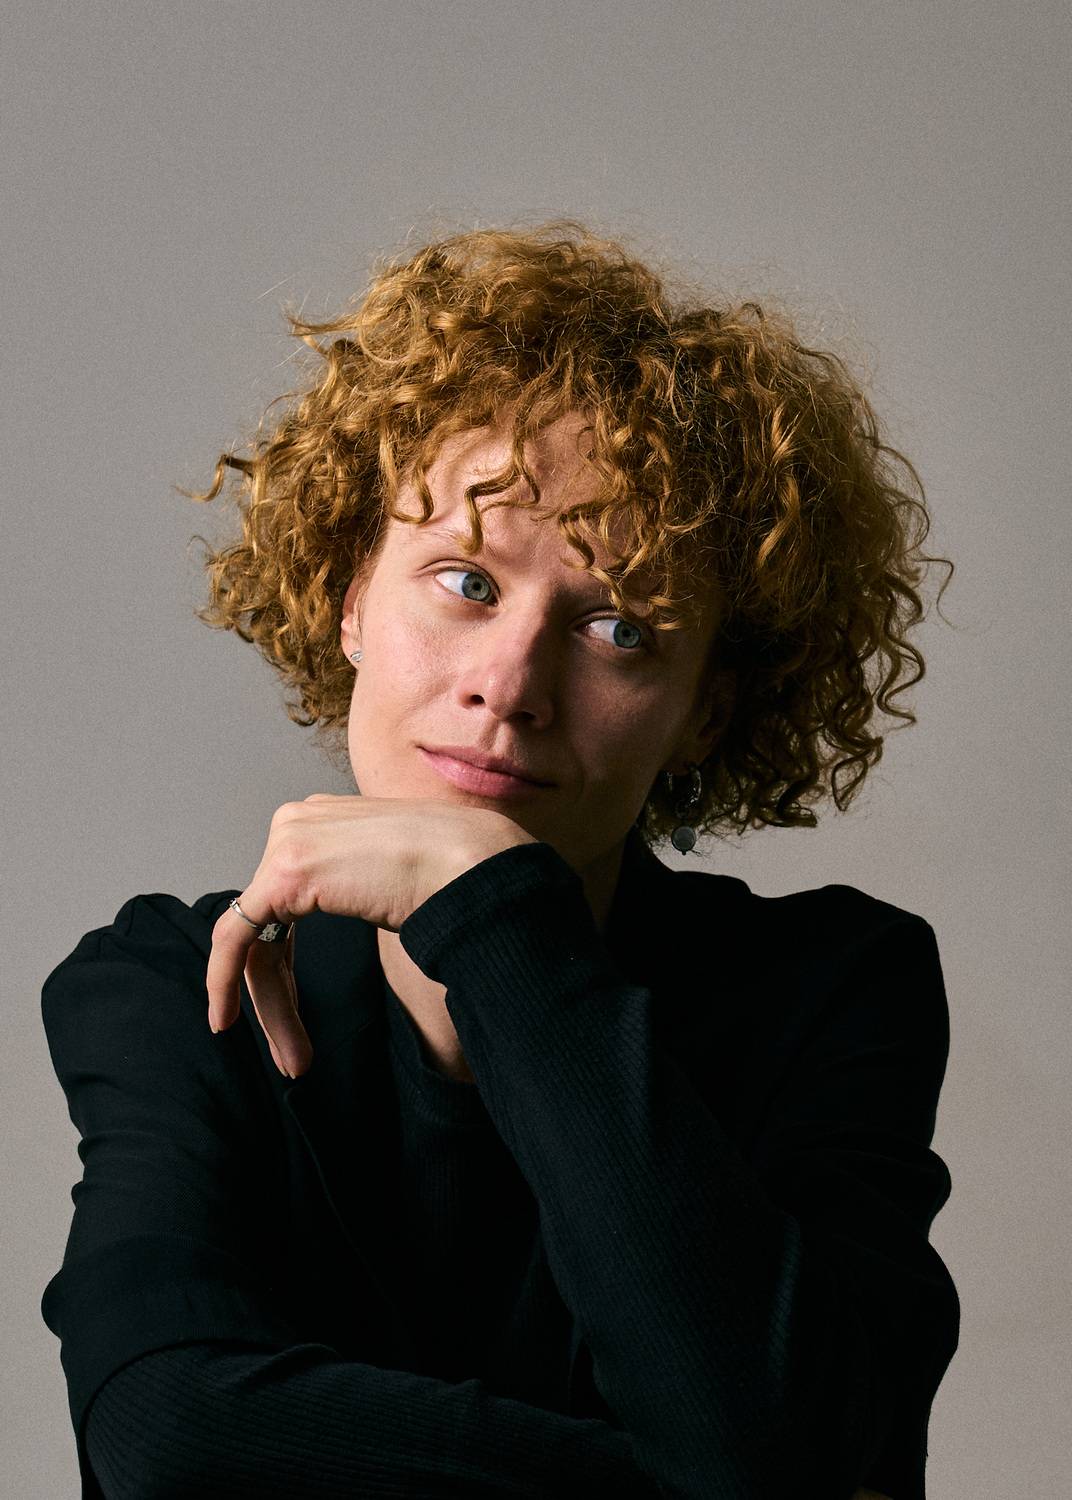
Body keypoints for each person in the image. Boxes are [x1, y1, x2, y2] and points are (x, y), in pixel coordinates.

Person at [40, 222, 959, 1499]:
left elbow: (773, 1434)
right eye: (466, 583)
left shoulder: (829, 990)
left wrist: (496, 919)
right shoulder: (169, 985)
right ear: (350, 601)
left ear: (705, 709)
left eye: (619, 628)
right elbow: (169, 1438)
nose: (510, 684)